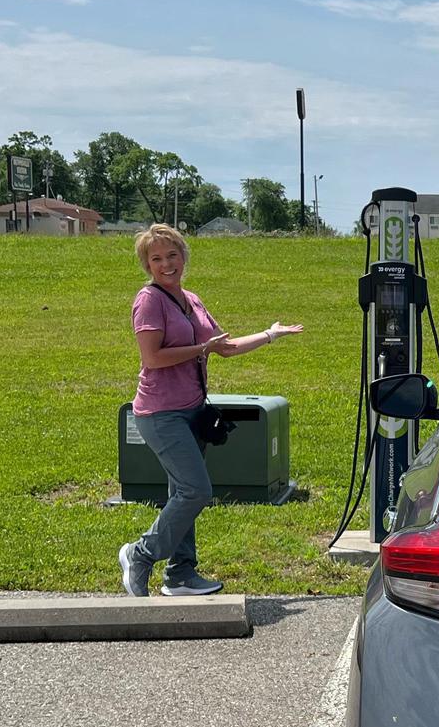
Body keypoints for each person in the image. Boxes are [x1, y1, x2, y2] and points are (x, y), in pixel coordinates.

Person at [119, 224, 302, 597]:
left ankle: (181, 575)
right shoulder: (148, 301)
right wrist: (200, 350)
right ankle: (139, 554)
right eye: (156, 258)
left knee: (181, 493)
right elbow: (152, 357)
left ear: (184, 256)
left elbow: (225, 347)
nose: (166, 264)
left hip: (192, 411)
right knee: (195, 491)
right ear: (147, 266)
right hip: (160, 413)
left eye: (172, 255)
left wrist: (270, 334)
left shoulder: (192, 299)